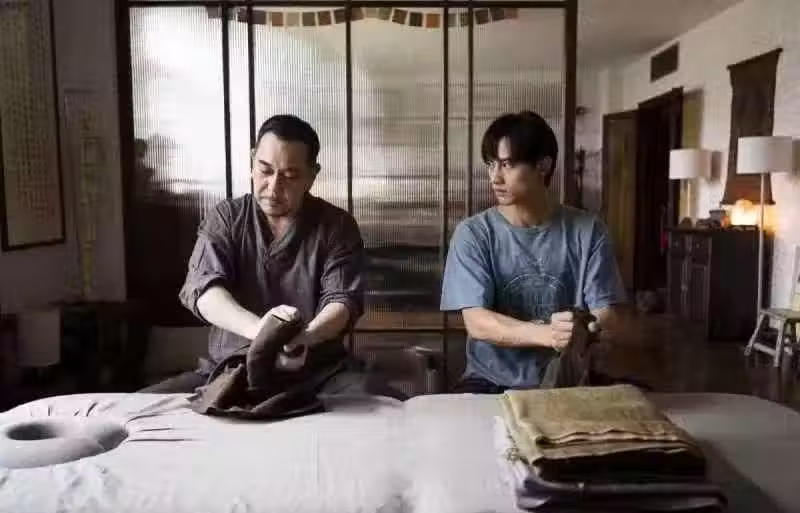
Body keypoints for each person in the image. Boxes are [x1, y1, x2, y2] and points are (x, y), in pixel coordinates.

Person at [142, 114, 398, 398]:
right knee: (141, 406)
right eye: (265, 170)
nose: (273, 187)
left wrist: (306, 337)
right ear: (252, 161)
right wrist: (261, 332)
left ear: (312, 176)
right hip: (232, 369)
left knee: (382, 403)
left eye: (290, 176)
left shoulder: (336, 226)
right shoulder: (226, 218)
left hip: (319, 373)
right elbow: (204, 291)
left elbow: (343, 300)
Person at [440, 111, 627, 393]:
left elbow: (606, 312)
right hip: (491, 381)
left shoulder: (588, 231)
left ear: (543, 165)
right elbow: (478, 323)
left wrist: (583, 328)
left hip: (569, 380)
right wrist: (548, 334)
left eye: (507, 164)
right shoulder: (474, 234)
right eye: (491, 164)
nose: (495, 177)